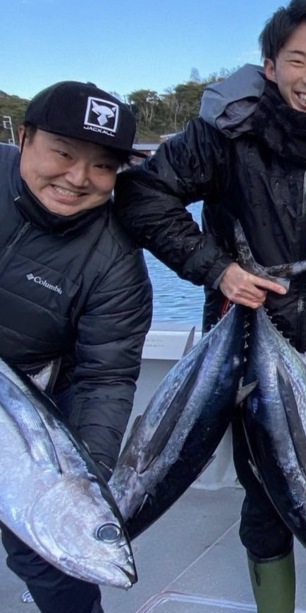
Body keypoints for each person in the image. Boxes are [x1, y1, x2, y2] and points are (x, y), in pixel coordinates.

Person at [113, 1, 306, 611]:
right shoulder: (222, 139)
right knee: (267, 488)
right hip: (246, 345)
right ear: (269, 67)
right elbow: (143, 197)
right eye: (296, 61)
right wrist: (218, 270)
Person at [0, 81, 152, 613]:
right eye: (63, 153)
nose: (78, 178)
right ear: (24, 137)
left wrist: (83, 482)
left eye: (102, 166)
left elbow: (105, 378)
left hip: (31, 406)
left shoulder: (115, 262)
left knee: (48, 557)